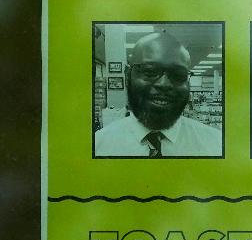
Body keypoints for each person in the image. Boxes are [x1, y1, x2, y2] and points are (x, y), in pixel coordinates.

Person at [94, 30, 222, 157]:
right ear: (128, 75)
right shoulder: (99, 146)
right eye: (150, 72)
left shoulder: (215, 145)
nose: (164, 84)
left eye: (178, 75)